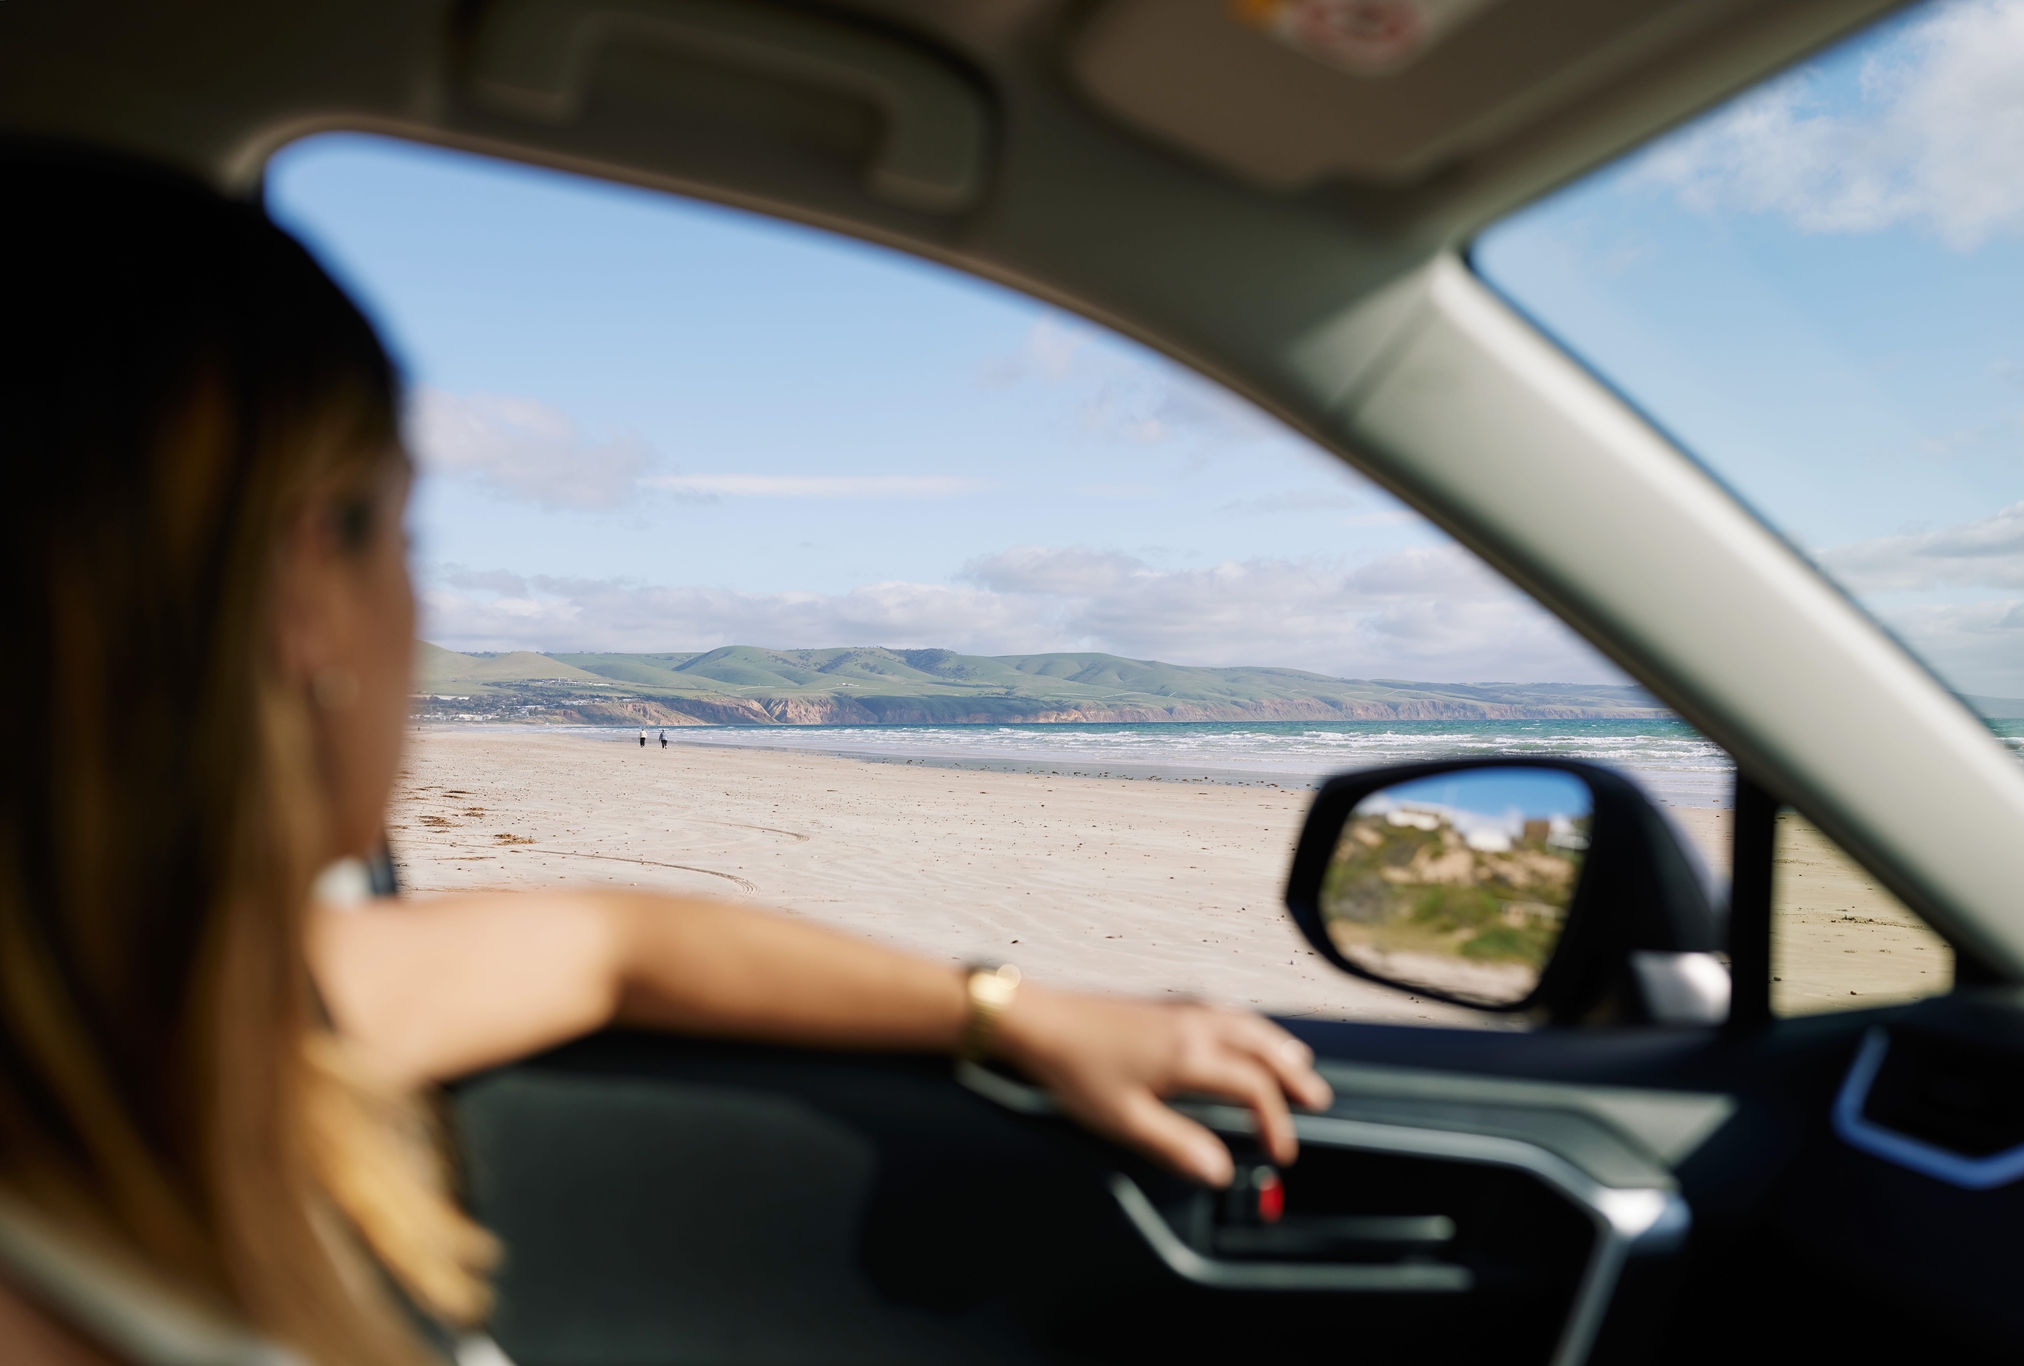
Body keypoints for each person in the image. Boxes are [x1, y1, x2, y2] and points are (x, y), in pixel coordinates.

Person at [0, 156, 1330, 1366]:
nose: (422, 610)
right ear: (305, 586)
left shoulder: (225, 1005)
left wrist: (1014, 1011)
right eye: (406, 535)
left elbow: (605, 942)